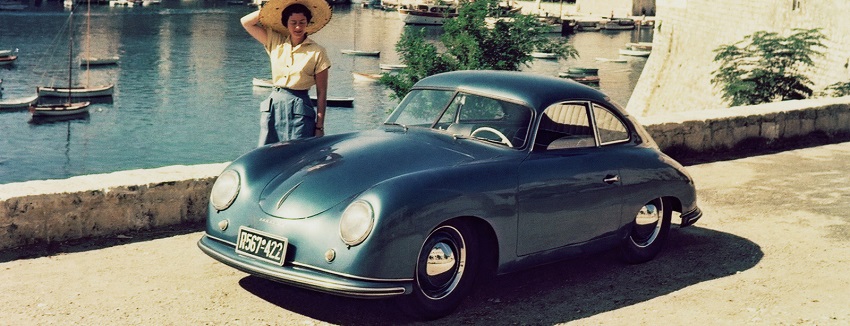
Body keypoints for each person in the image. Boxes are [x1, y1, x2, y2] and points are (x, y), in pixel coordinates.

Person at [240, 0, 332, 146]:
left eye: (302, 22)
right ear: (285, 23)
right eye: (293, 22)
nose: (297, 27)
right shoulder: (275, 42)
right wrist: (272, 9)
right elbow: (246, 22)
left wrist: (319, 126)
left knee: (297, 155)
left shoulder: (318, 51)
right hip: (274, 106)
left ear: (308, 23)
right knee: (267, 154)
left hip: (300, 109)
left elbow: (322, 92)